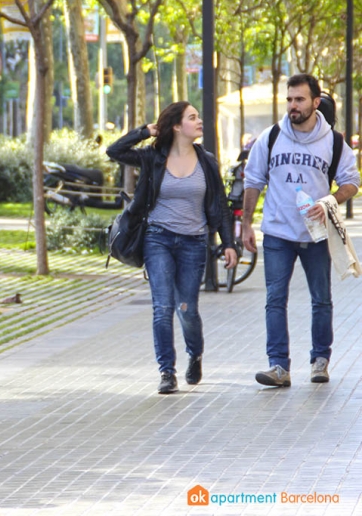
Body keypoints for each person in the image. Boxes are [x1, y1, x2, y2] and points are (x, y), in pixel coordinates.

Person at [106, 102, 237, 394]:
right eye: (193, 118)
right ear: (177, 126)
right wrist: (144, 132)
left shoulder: (207, 162)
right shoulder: (154, 157)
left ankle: (195, 354)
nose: (200, 121)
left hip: (193, 243)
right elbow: (113, 152)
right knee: (162, 308)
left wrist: (229, 244)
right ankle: (167, 372)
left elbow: (220, 207)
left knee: (186, 309)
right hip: (157, 238)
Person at [243, 73, 360, 387]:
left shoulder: (334, 142)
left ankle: (320, 360)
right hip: (278, 234)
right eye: (290, 99)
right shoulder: (270, 137)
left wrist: (328, 201)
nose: (293, 106)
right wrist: (245, 226)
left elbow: (351, 183)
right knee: (274, 300)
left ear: (315, 102)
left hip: (316, 234)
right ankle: (278, 366)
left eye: (300, 99)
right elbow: (253, 181)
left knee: (321, 300)